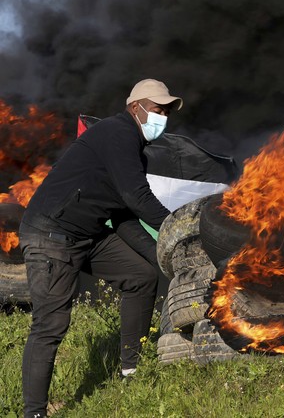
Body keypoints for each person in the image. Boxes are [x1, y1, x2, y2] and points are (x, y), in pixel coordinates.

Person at [18, 79, 182, 418]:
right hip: (50, 234)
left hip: (86, 235)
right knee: (50, 326)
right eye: (157, 109)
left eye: (167, 111)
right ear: (135, 107)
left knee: (140, 276)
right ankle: (33, 412)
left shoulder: (133, 146)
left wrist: (162, 253)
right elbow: (137, 198)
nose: (162, 117)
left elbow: (122, 214)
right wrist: (178, 230)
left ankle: (130, 372)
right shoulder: (117, 133)